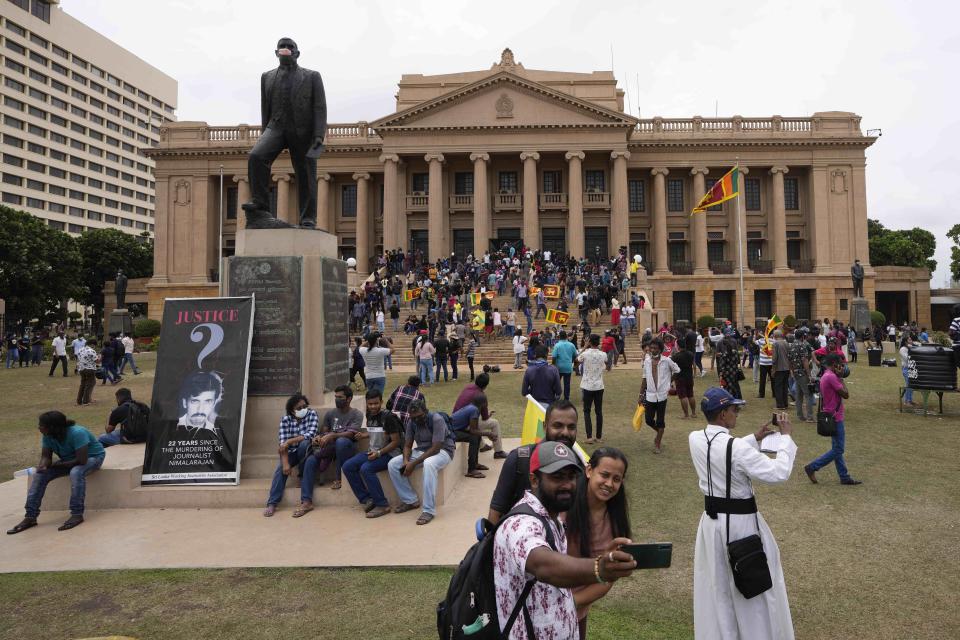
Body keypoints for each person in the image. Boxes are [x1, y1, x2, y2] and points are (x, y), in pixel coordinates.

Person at [492, 440, 636, 639]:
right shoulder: (521, 523)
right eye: (557, 477)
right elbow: (543, 565)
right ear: (534, 480)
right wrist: (599, 568)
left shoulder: (553, 520)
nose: (567, 485)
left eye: (570, 477)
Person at [688, 387, 797, 640]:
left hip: (711, 524)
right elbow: (778, 473)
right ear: (723, 414)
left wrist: (754, 438)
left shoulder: (695, 438)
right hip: (741, 526)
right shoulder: (736, 448)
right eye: (734, 409)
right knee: (753, 586)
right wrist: (786, 439)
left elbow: (720, 448)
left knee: (718, 585)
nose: (737, 413)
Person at [241, 37, 327, 229]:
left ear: (297, 53)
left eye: (290, 47)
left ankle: (308, 219)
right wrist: (265, 133)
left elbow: (319, 107)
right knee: (256, 156)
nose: (286, 49)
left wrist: (319, 135)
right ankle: (260, 204)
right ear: (276, 53)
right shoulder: (267, 77)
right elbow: (266, 107)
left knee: (305, 174)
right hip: (276, 127)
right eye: (282, 47)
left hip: (302, 131)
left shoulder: (312, 76)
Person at [565, 447, 632, 639]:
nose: (609, 484)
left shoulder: (615, 519)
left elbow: (608, 577)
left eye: (617, 479)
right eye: (604, 475)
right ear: (588, 471)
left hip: (577, 612)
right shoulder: (563, 506)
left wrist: (572, 603)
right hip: (541, 606)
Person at [7, 411, 106, 534]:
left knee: (75, 472)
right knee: (40, 475)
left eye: (41, 425)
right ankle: (30, 517)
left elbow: (81, 460)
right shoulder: (48, 435)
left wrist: (56, 465)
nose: (39, 427)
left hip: (93, 458)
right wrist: (43, 465)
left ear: (53, 427)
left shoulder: (77, 433)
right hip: (69, 460)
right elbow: (46, 456)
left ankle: (77, 514)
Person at [488, 399, 578, 525]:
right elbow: (496, 513)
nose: (565, 432)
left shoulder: (579, 467)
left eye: (571, 427)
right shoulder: (519, 459)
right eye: (558, 426)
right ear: (545, 426)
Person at [387, 398, 455, 525]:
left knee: (429, 464)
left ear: (426, 411)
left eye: (419, 416)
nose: (416, 420)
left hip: (443, 451)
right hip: (422, 451)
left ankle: (428, 510)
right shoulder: (411, 422)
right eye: (413, 417)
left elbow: (436, 448)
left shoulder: (436, 420)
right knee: (393, 464)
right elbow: (407, 445)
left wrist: (414, 463)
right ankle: (410, 500)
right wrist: (406, 461)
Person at [297, 385, 364, 509]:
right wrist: (319, 438)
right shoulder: (330, 414)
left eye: (340, 397)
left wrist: (333, 435)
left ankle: (339, 478)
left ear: (349, 399)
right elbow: (324, 431)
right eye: (335, 397)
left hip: (347, 448)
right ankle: (306, 501)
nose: (337, 399)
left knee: (341, 442)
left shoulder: (356, 414)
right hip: (329, 448)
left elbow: (351, 434)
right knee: (310, 460)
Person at [342, 388, 404, 519]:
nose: (373, 406)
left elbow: (396, 442)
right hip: (373, 452)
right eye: (370, 404)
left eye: (376, 403)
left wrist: (379, 453)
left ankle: (382, 504)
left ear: (381, 402)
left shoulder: (389, 418)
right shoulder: (369, 414)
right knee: (348, 466)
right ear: (367, 404)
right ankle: (367, 499)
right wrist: (363, 435)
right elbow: (374, 432)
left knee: (366, 468)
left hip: (390, 454)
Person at [804, 354, 862, 485]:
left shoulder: (826, 375)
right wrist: (841, 378)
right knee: (838, 449)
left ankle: (844, 476)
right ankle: (812, 467)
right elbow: (846, 394)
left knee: (836, 448)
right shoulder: (832, 377)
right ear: (834, 363)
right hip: (835, 417)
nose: (842, 367)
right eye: (840, 364)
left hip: (831, 415)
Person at [263, 393, 319, 517]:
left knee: (304, 444)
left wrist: (291, 441)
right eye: (299, 408)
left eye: (305, 406)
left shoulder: (312, 414)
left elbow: (311, 434)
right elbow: (283, 445)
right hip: (291, 452)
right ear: (292, 411)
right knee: (280, 470)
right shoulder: (286, 419)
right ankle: (272, 503)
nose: (303, 409)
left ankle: (306, 500)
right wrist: (285, 463)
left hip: (308, 451)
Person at [638, 337, 680, 454]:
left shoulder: (667, 361)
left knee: (660, 420)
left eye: (655, 348)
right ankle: (659, 432)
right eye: (651, 348)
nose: (652, 350)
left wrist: (669, 383)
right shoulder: (646, 362)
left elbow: (677, 370)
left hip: (662, 396)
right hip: (650, 395)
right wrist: (641, 394)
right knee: (648, 420)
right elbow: (644, 379)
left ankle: (658, 443)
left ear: (660, 349)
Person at [452, 372, 505, 459]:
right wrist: (488, 415)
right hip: (464, 426)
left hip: (455, 421)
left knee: (475, 418)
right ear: (485, 386)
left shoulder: (467, 387)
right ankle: (498, 452)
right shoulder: (481, 395)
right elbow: (484, 418)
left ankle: (482, 446)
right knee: (495, 423)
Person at [449, 393, 497, 478]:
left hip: (454, 430)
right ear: (483, 404)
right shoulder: (474, 410)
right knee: (474, 437)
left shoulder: (471, 407)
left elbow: (474, 429)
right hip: (450, 432)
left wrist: (487, 434)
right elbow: (473, 431)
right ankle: (471, 470)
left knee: (476, 436)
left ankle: (475, 464)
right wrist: (489, 433)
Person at [577, 334, 607, 444]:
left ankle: (589, 437)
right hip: (599, 386)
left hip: (587, 386)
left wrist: (585, 346)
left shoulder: (585, 354)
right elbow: (607, 363)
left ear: (590, 342)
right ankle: (598, 437)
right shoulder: (603, 354)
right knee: (599, 411)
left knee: (587, 411)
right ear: (598, 342)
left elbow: (576, 360)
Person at [789, 330, 815, 422]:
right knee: (808, 394)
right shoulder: (802, 345)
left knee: (799, 395)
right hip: (803, 373)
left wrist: (792, 372)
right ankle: (810, 417)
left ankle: (800, 416)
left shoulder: (791, 345)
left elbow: (790, 361)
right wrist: (809, 375)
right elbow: (805, 361)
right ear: (802, 337)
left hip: (796, 373)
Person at [359, 332, 393, 397]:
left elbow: (360, 346)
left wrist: (370, 339)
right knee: (378, 396)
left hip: (369, 376)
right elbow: (393, 350)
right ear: (376, 341)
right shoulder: (380, 350)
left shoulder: (364, 350)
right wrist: (385, 340)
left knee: (370, 396)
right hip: (380, 375)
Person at [672, 337, 698, 419]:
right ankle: (693, 413)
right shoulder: (691, 354)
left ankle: (686, 415)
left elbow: (672, 368)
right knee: (691, 395)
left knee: (683, 396)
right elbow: (694, 365)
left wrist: (671, 380)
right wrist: (694, 374)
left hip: (680, 378)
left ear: (678, 346)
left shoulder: (676, 356)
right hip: (689, 377)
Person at [551, 331, 578, 401]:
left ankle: (556, 396)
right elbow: (575, 355)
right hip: (568, 367)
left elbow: (554, 357)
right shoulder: (571, 345)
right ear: (566, 336)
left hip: (558, 367)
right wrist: (572, 362)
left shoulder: (557, 345)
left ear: (559, 337)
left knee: (556, 383)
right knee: (567, 384)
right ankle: (566, 398)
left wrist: (553, 365)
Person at [770, 330, 791, 410]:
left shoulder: (775, 344)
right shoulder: (786, 343)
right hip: (787, 367)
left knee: (778, 387)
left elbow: (774, 358)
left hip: (779, 368)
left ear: (775, 336)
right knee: (785, 386)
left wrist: (773, 369)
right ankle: (785, 404)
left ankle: (780, 405)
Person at [76, 338, 99, 406]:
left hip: (81, 369)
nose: (94, 347)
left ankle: (79, 401)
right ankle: (86, 401)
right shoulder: (91, 351)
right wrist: (101, 358)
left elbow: (78, 359)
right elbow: (97, 361)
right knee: (90, 384)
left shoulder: (80, 350)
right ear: (92, 344)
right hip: (90, 369)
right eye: (94, 345)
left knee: (83, 384)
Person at [899, 335, 916, 407]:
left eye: (911, 340)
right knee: (908, 384)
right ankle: (907, 401)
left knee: (911, 384)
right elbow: (907, 358)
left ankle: (910, 400)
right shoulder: (903, 349)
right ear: (905, 342)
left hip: (911, 368)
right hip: (906, 368)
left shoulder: (910, 348)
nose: (911, 341)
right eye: (909, 340)